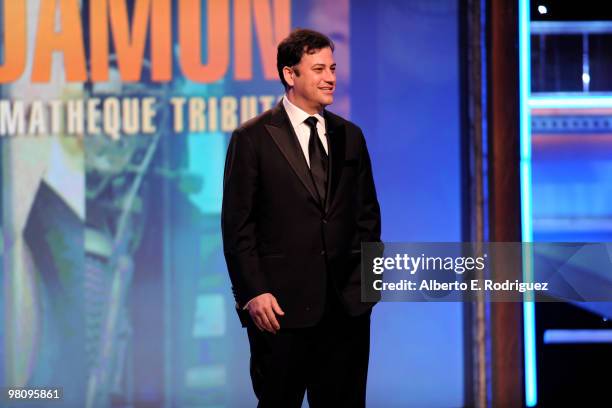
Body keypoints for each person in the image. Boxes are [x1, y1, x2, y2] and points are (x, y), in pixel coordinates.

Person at [221, 28, 381, 407]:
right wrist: (253, 293)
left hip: (346, 313)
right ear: (290, 75)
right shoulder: (253, 138)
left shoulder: (350, 136)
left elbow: (368, 217)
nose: (330, 78)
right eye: (319, 69)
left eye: (333, 68)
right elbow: (237, 226)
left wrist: (366, 289)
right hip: (279, 311)